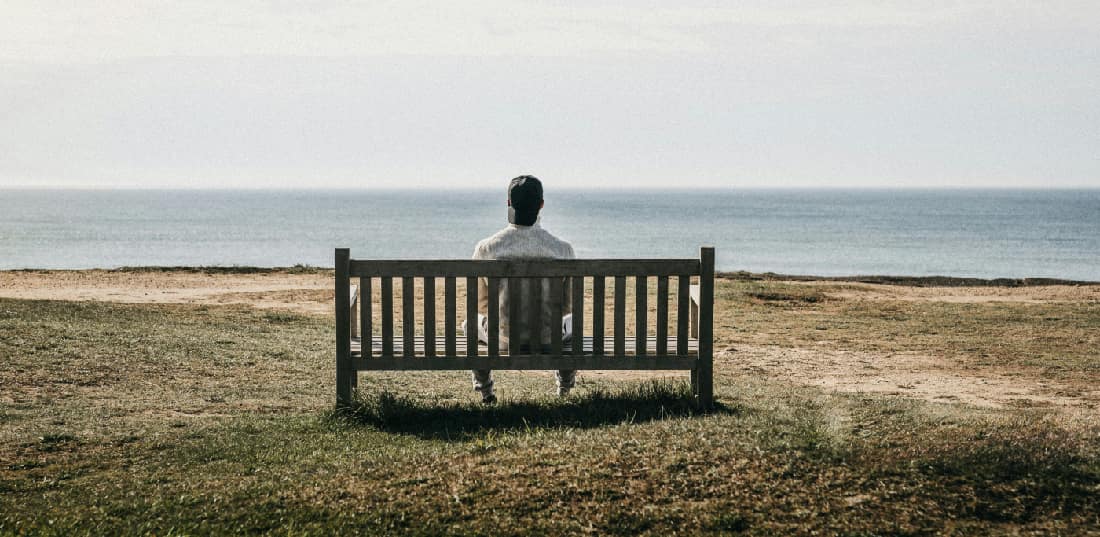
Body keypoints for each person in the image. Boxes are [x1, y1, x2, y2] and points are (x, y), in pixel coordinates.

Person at [467, 175, 576, 404]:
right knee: (573, 323)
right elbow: (567, 305)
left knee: (470, 324)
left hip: (504, 339)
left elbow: (479, 302)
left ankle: (486, 392)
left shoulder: (486, 248)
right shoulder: (563, 249)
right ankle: (564, 391)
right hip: (549, 339)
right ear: (541, 205)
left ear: (509, 203)